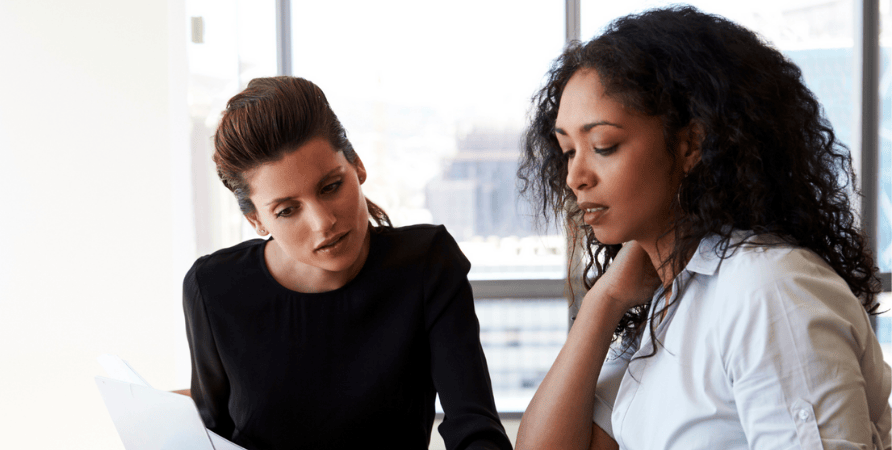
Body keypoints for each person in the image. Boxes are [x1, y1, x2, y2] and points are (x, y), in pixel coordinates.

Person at [514, 7, 892, 450]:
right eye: (566, 150)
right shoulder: (666, 301)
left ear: (690, 144)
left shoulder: (767, 287)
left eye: (603, 146)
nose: (575, 176)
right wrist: (604, 302)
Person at [178, 76, 511, 450]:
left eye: (331, 186)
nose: (323, 222)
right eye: (287, 210)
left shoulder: (427, 263)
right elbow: (209, 436)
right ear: (256, 220)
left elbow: (474, 426)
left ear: (357, 166)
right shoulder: (213, 288)